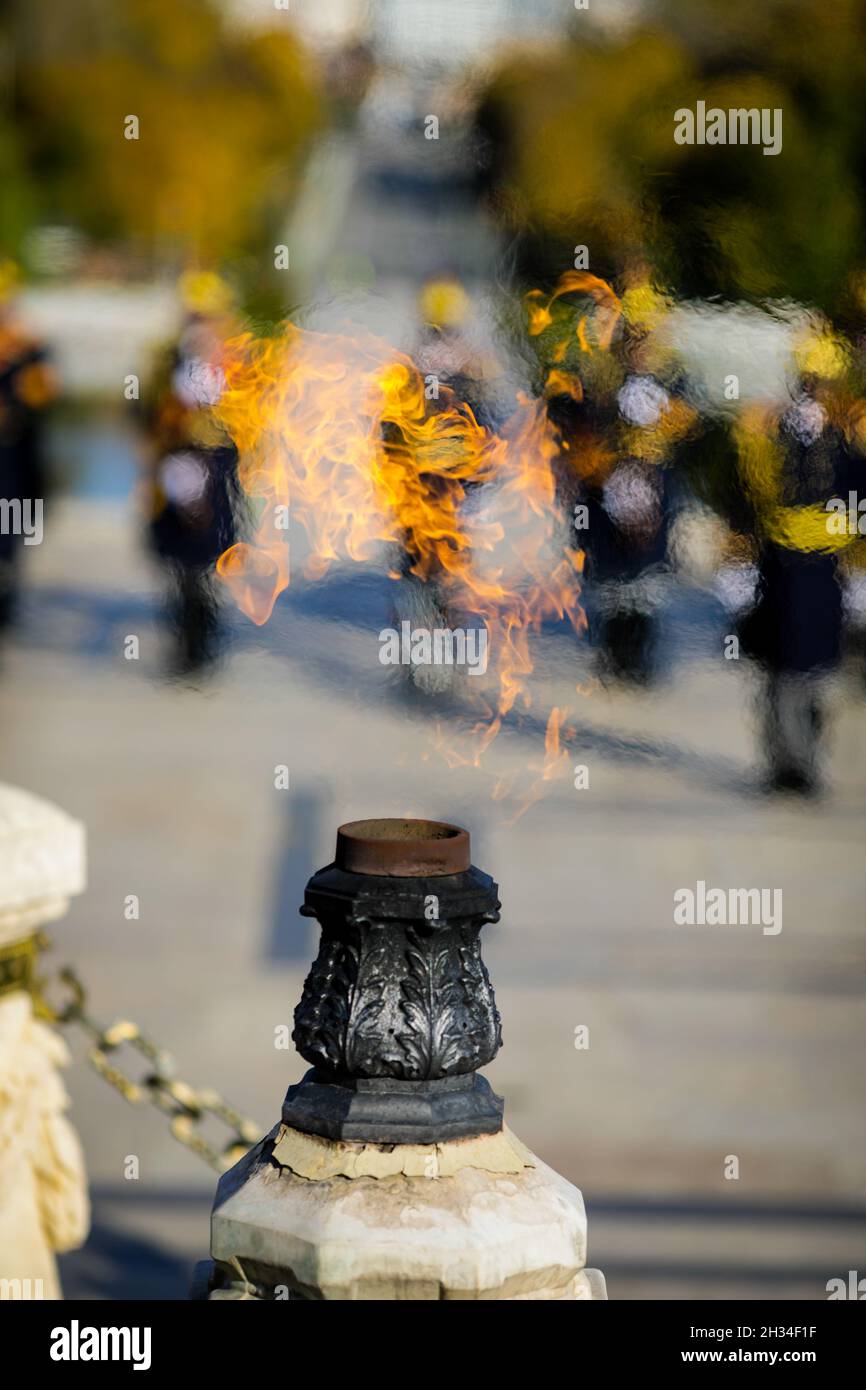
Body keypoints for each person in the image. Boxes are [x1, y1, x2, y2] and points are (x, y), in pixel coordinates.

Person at [735, 325, 863, 794]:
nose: (814, 391)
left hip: (826, 569)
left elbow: (858, 497)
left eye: (821, 383)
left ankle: (807, 763)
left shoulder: (848, 439)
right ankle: (783, 764)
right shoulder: (769, 432)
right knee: (779, 671)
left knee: (818, 675)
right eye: (807, 381)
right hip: (781, 565)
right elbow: (750, 494)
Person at [141, 270, 240, 675]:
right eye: (194, 315)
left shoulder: (235, 356)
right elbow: (145, 410)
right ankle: (184, 637)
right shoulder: (164, 357)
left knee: (209, 558)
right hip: (176, 462)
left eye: (208, 315)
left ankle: (205, 636)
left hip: (218, 464)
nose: (200, 323)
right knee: (177, 561)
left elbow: (253, 413)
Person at [0, 260, 58, 630]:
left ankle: (7, 596)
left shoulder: (30, 350)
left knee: (11, 537)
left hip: (16, 462)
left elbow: (43, 395)